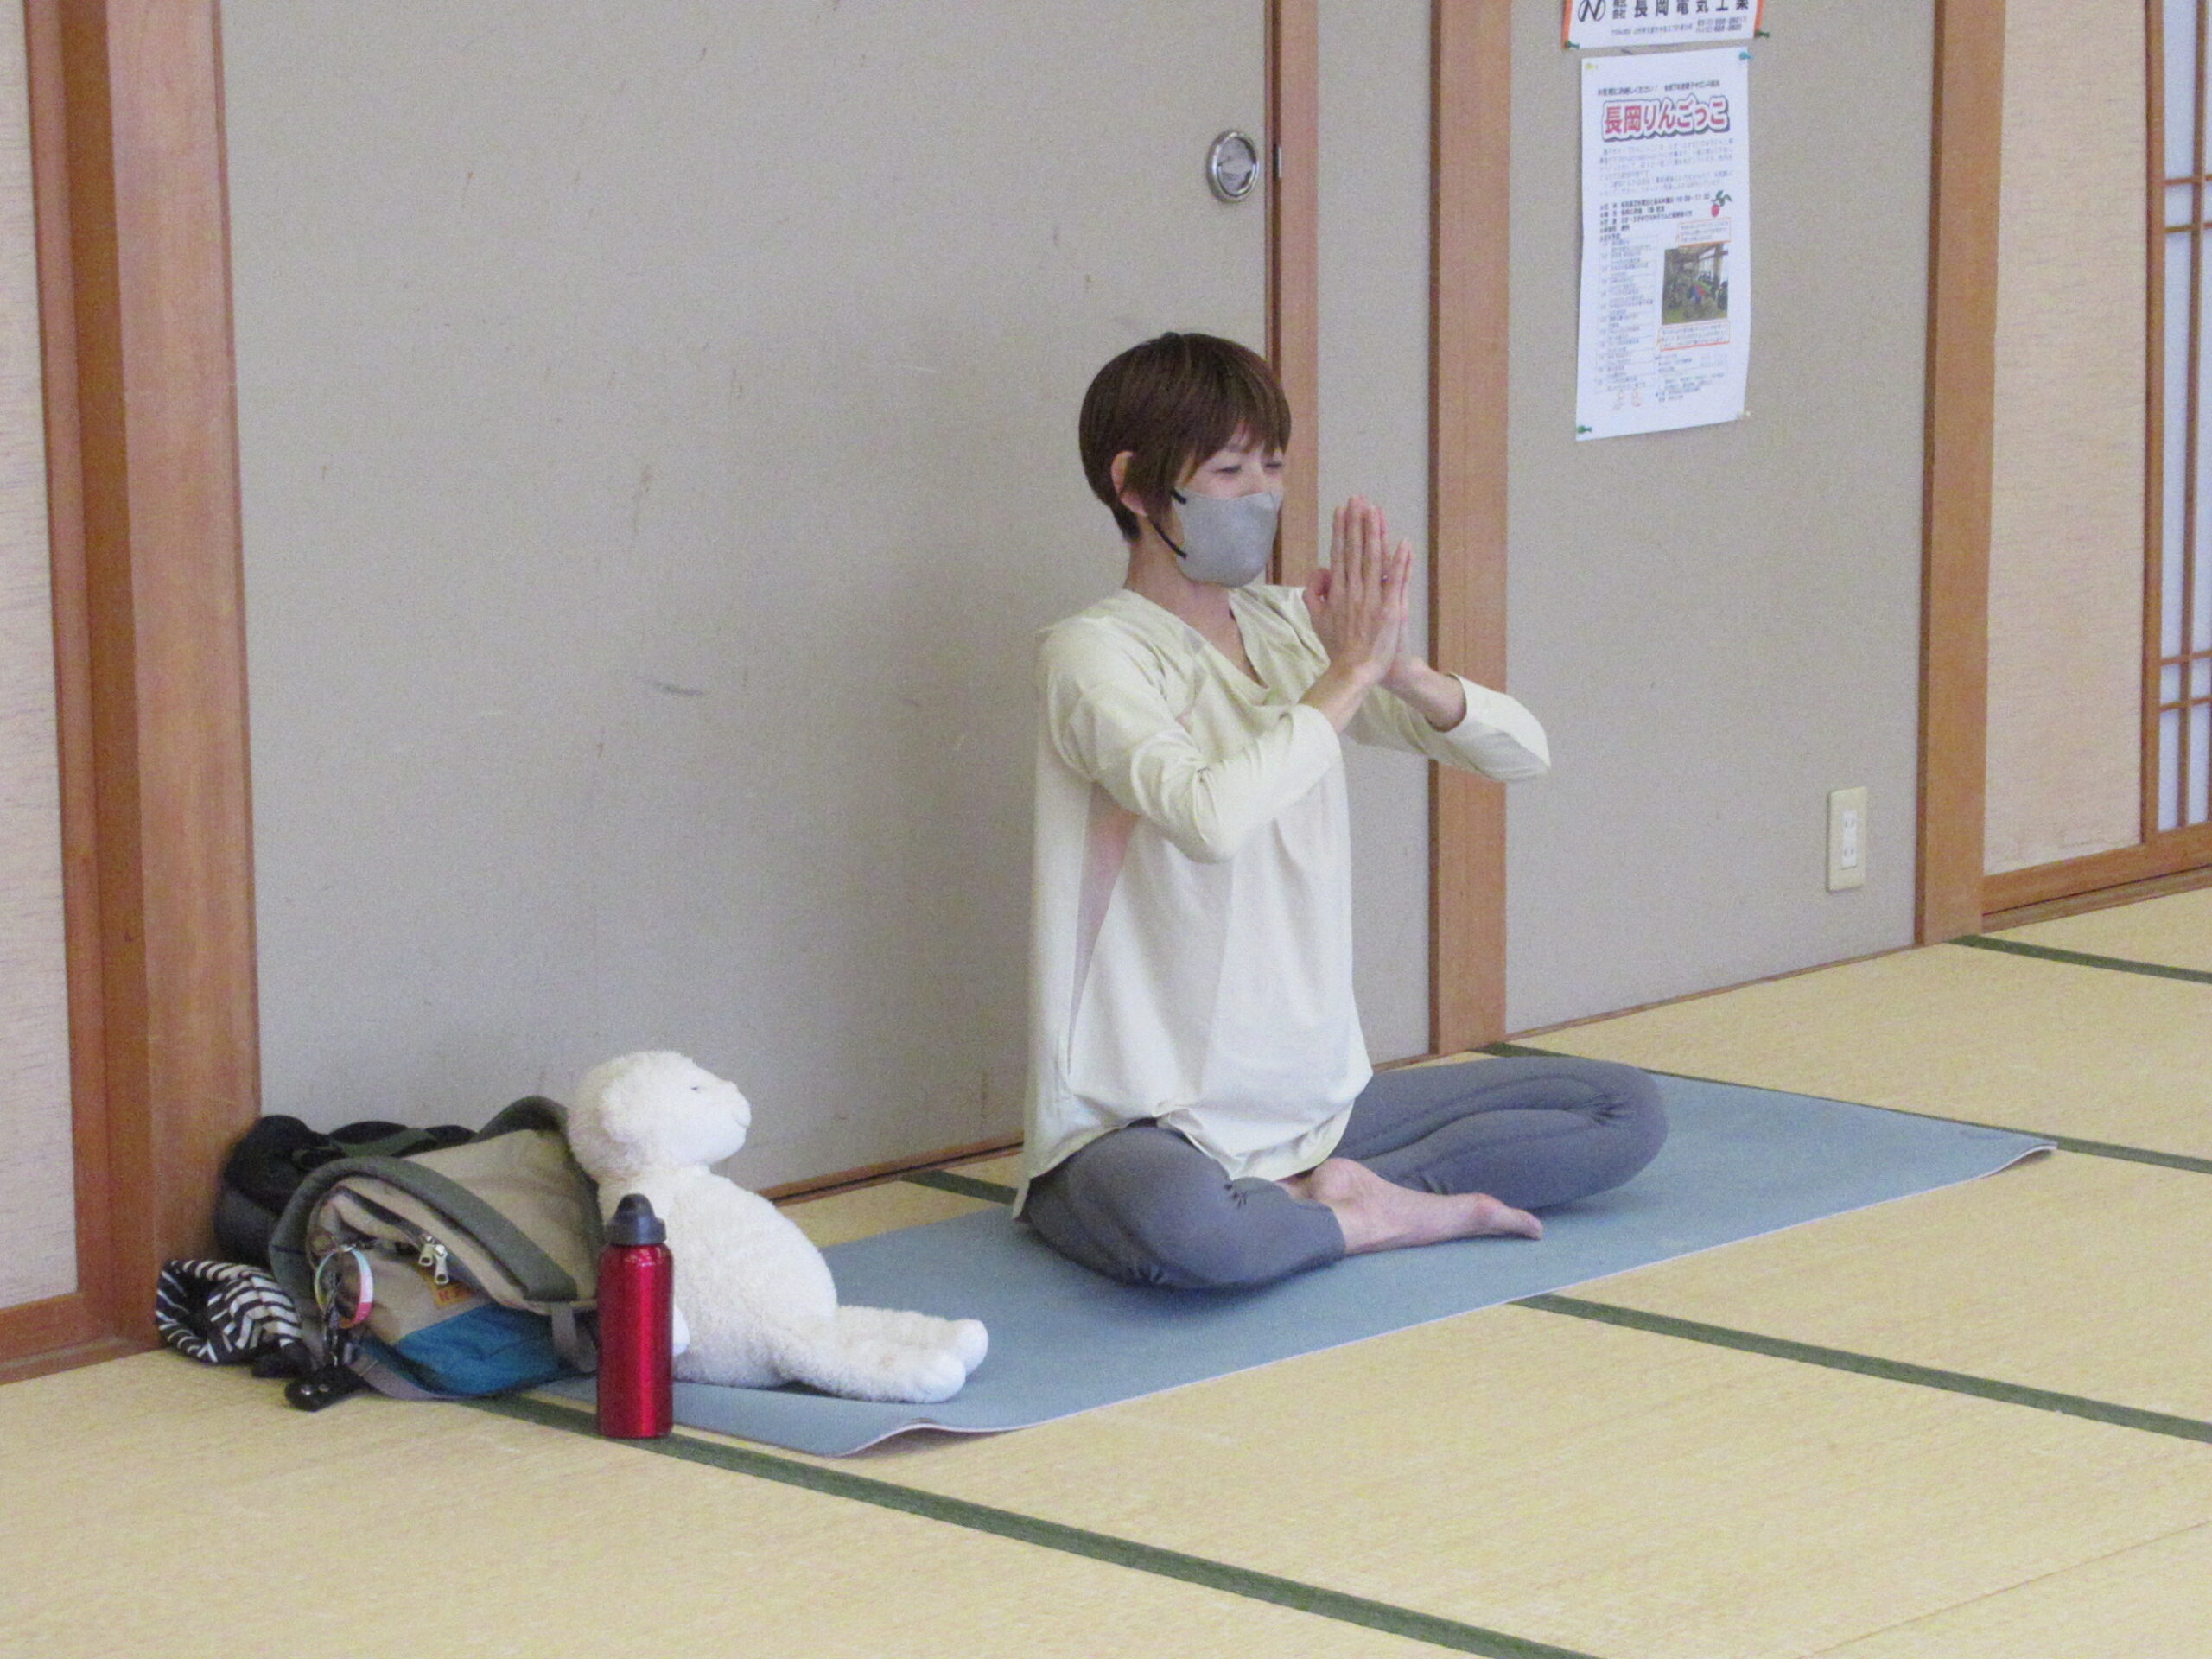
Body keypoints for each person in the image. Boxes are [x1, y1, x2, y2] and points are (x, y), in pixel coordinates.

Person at [1015, 332, 1663, 1291]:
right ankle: (1371, 1217)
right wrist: (1346, 676)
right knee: (1196, 1235)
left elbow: (1522, 752)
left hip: (1313, 1112)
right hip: (1138, 1123)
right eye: (1229, 471)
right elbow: (1208, 817)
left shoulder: (1293, 630)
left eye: (1273, 468)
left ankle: (1341, 1197)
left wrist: (1397, 669)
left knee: (1624, 1111)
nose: (1261, 496)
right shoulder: (1093, 654)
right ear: (1134, 486)